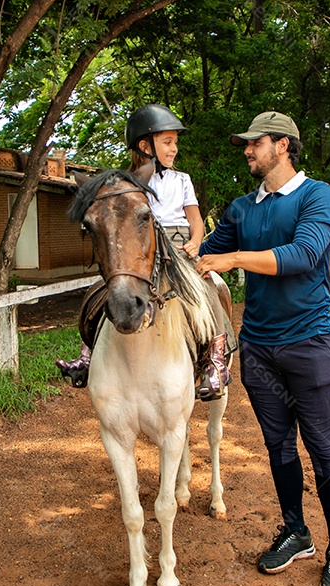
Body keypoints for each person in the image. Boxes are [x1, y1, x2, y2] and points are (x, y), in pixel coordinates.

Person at [195, 111, 330, 586]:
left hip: (307, 345)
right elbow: (201, 251)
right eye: (245, 143)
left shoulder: (316, 196)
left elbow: (305, 255)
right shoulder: (242, 208)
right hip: (258, 350)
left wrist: (236, 259)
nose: (247, 150)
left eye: (254, 143)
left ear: (282, 145)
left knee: (324, 449)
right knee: (279, 446)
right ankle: (296, 533)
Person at [57, 104, 233, 399]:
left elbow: (195, 220)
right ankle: (87, 354)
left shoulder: (182, 180)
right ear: (144, 144)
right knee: (101, 288)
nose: (174, 148)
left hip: (177, 247)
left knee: (206, 287)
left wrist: (196, 242)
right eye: (168, 142)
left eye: (175, 142)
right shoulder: (124, 182)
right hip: (141, 247)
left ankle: (216, 359)